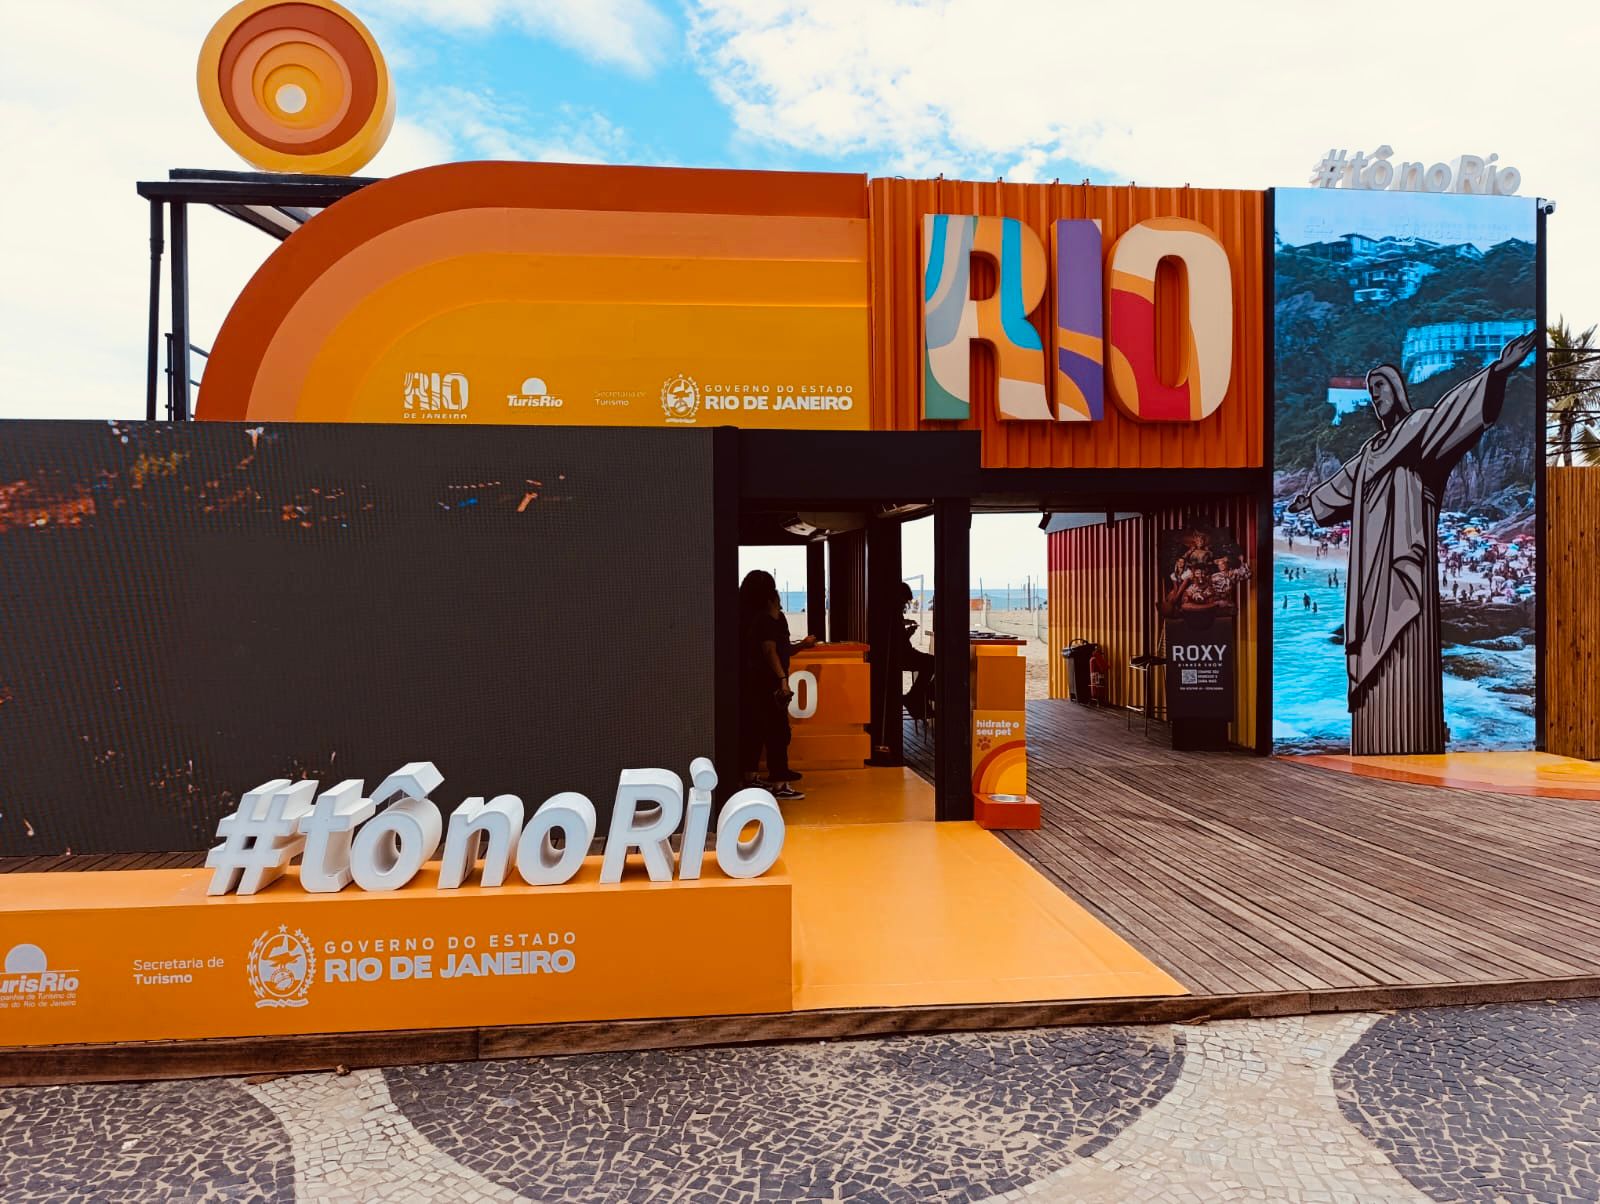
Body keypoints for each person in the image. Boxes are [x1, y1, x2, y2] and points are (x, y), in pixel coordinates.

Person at [1288, 331, 1537, 754]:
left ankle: (1411, 733)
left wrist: (1499, 370)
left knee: (1407, 629)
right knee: (1371, 626)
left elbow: (1454, 411)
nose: (1375, 394)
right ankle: (1376, 733)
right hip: (1370, 560)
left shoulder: (1420, 427)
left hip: (1406, 553)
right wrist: (1308, 500)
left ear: (1398, 390)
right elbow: (1339, 486)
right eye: (1370, 389)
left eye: (1380, 385)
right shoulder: (1371, 451)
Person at [738, 570, 813, 800]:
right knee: (778, 733)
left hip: (751, 684)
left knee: (755, 731)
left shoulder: (746, 618)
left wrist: (802, 645)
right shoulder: (769, 621)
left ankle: (750, 777)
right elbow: (770, 651)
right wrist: (783, 679)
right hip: (769, 685)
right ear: (770, 599)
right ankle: (780, 783)